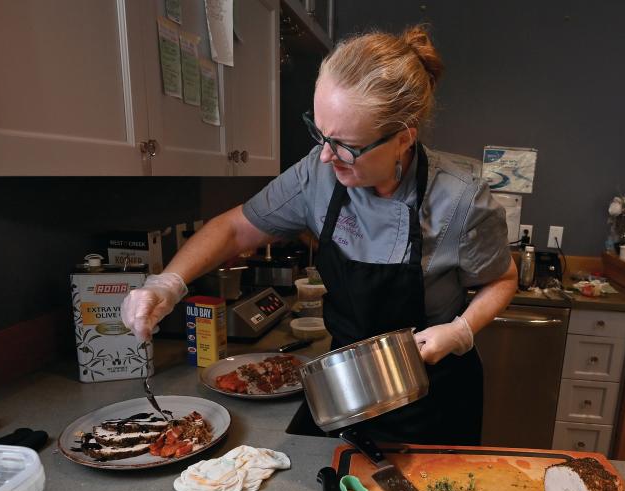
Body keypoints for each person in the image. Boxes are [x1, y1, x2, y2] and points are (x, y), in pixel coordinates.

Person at [122, 25, 516, 445]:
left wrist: (461, 330)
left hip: (434, 395)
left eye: (345, 145)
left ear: (404, 137)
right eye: (320, 134)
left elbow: (502, 279)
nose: (326, 155)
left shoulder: (461, 199)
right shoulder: (318, 173)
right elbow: (234, 228)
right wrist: (168, 284)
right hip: (344, 388)